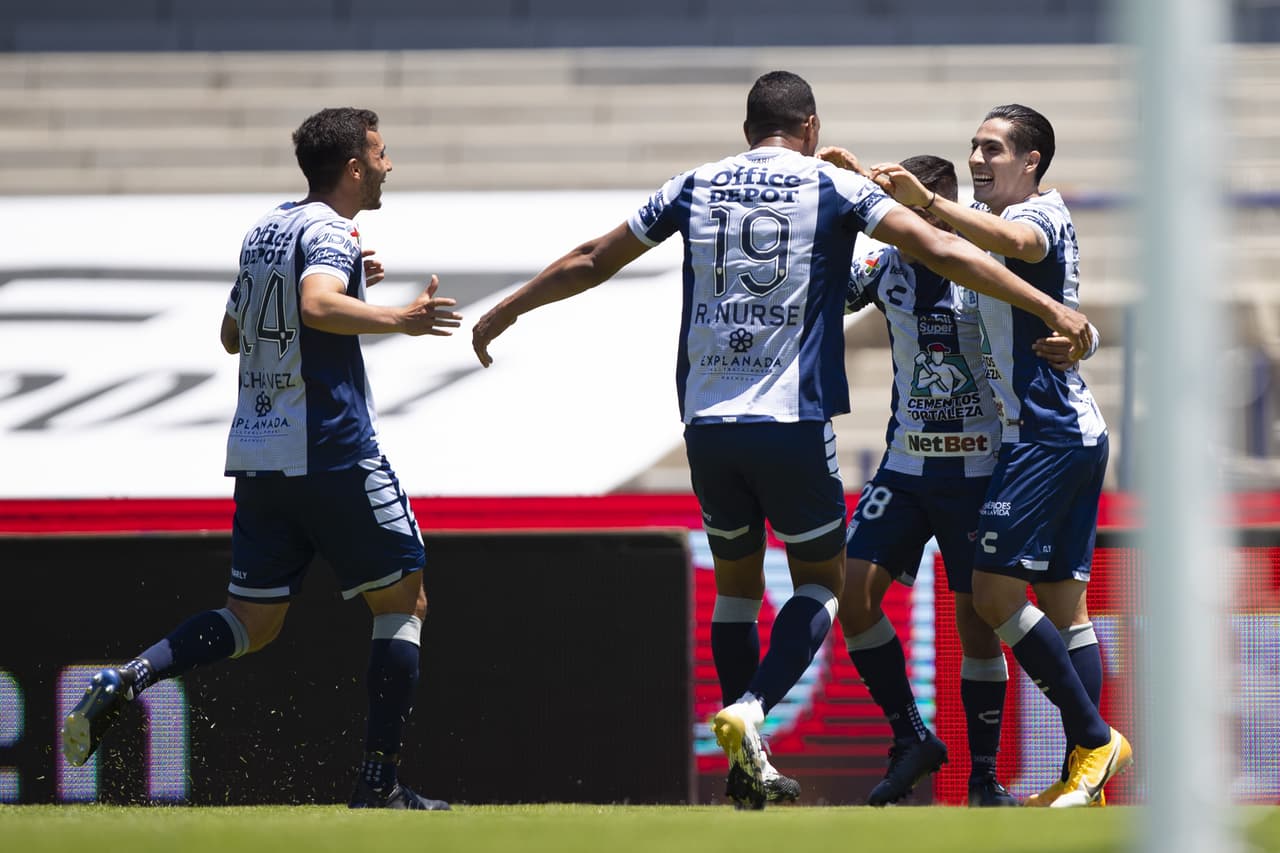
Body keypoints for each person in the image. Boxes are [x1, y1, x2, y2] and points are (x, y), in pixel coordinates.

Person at [471, 72, 1093, 810]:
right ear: (810, 127)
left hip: (728, 421)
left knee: (783, 592)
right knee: (835, 588)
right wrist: (1050, 307)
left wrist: (508, 307)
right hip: (841, 438)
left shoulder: (696, 183)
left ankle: (965, 772)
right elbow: (901, 259)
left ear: (747, 129)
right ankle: (819, 722)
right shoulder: (856, 218)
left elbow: (593, 256)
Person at [60, 107, 462, 811]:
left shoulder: (266, 229)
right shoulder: (332, 230)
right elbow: (315, 305)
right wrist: (398, 317)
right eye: (380, 154)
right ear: (354, 167)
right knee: (404, 600)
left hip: (259, 451)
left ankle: (128, 677)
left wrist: (349, 283)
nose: (389, 165)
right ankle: (378, 783)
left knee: (251, 620)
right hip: (330, 447)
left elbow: (231, 334)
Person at [867, 104, 1130, 808]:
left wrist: (928, 204)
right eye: (974, 147)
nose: (978, 160)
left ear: (1031, 161)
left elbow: (1017, 244)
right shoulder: (991, 226)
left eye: (993, 149)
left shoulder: (1038, 216)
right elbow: (1050, 298)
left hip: (1047, 435)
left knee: (992, 596)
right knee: (1065, 609)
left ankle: (1096, 739)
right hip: (1058, 432)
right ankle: (1085, 774)